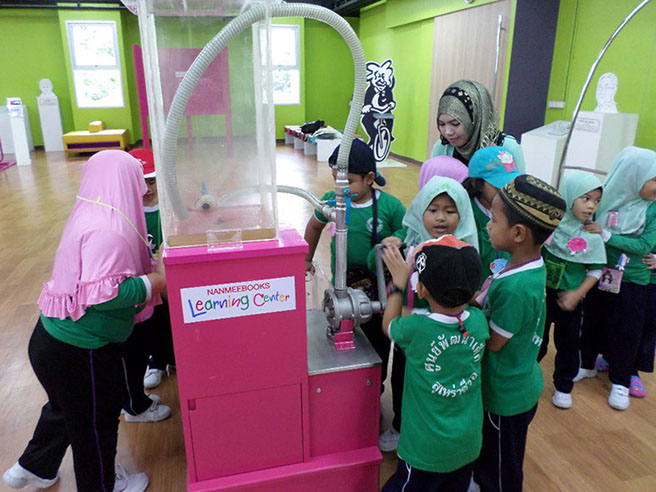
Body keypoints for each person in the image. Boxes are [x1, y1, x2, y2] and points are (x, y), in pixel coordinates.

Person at [2, 150, 166, 492]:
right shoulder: (111, 230)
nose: (143, 187)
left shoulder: (89, 213)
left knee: (69, 408)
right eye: (139, 179)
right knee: (96, 426)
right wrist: (157, 280)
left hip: (50, 339)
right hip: (81, 351)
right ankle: (103, 486)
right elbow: (106, 294)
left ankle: (35, 466)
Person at [303, 138, 406, 453]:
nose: (339, 187)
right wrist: (305, 259)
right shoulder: (330, 201)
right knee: (345, 342)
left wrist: (397, 238)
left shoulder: (389, 206)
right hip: (344, 289)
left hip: (380, 291)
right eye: (335, 178)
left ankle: (373, 396)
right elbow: (314, 228)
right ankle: (348, 395)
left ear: (370, 179)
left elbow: (407, 231)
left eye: (347, 181)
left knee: (377, 344)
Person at [474, 174, 566, 492]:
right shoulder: (522, 266)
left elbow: (494, 342)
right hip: (517, 381)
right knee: (493, 454)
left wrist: (463, 320)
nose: (488, 225)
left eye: (493, 219)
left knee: (502, 468)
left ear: (517, 233)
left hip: (505, 395)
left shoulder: (516, 288)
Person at [374, 175, 478, 451]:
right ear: (421, 211)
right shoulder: (413, 244)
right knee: (402, 377)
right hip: (412, 333)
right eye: (433, 210)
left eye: (450, 211)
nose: (440, 218)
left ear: (462, 215)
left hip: (442, 335)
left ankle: (434, 429)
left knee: (436, 384)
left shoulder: (463, 253)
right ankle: (400, 424)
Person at [380, 235, 488, 492]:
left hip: (424, 449)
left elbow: (389, 325)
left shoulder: (415, 329)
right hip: (467, 442)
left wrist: (398, 282)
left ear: (421, 290)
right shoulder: (478, 321)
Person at [577, 147, 656, 409]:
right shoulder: (604, 198)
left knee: (627, 330)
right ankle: (586, 363)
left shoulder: (652, 209)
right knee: (593, 319)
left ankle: (621, 381)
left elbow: (644, 245)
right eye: (655, 179)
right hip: (599, 271)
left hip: (633, 279)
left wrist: (606, 235)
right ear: (634, 175)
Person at [536, 172, 606, 410]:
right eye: (585, 198)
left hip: (571, 300)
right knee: (537, 339)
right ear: (568, 196)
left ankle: (564, 385)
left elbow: (596, 270)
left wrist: (577, 293)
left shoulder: (591, 235)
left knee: (568, 344)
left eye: (596, 201)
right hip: (543, 294)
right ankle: (528, 376)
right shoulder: (550, 225)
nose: (591, 206)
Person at [120, 148, 173, 423]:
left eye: (152, 181)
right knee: (148, 327)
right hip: (143, 286)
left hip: (167, 282)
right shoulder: (125, 212)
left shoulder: (170, 210)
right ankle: (156, 362)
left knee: (168, 321)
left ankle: (169, 358)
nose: (147, 189)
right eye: (141, 182)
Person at [430, 80, 526, 173]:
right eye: (442, 124)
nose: (448, 132)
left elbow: (518, 184)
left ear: (475, 119)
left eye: (455, 124)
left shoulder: (508, 149)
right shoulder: (442, 148)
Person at [466, 146, 521, 285]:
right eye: (499, 184)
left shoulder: (515, 209)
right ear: (478, 183)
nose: (505, 190)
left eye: (509, 184)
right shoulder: (467, 214)